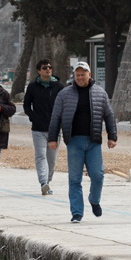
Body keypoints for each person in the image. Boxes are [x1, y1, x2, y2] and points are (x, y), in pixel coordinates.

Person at [47, 62, 118, 223]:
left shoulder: (100, 93)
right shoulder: (64, 94)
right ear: (74, 76)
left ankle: (94, 199)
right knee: (74, 178)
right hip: (74, 141)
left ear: (89, 75)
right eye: (77, 75)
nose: (80, 77)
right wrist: (52, 138)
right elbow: (56, 117)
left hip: (93, 141)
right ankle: (77, 212)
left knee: (98, 175)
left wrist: (112, 136)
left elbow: (109, 115)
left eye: (83, 74)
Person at [23, 59, 64, 195]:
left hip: (55, 129)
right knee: (40, 156)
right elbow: (26, 105)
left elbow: (65, 104)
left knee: (51, 160)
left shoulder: (59, 86)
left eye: (50, 67)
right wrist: (33, 116)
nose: (48, 69)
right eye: (45, 67)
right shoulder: (32, 87)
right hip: (38, 129)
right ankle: (43, 183)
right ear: (39, 71)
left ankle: (48, 182)